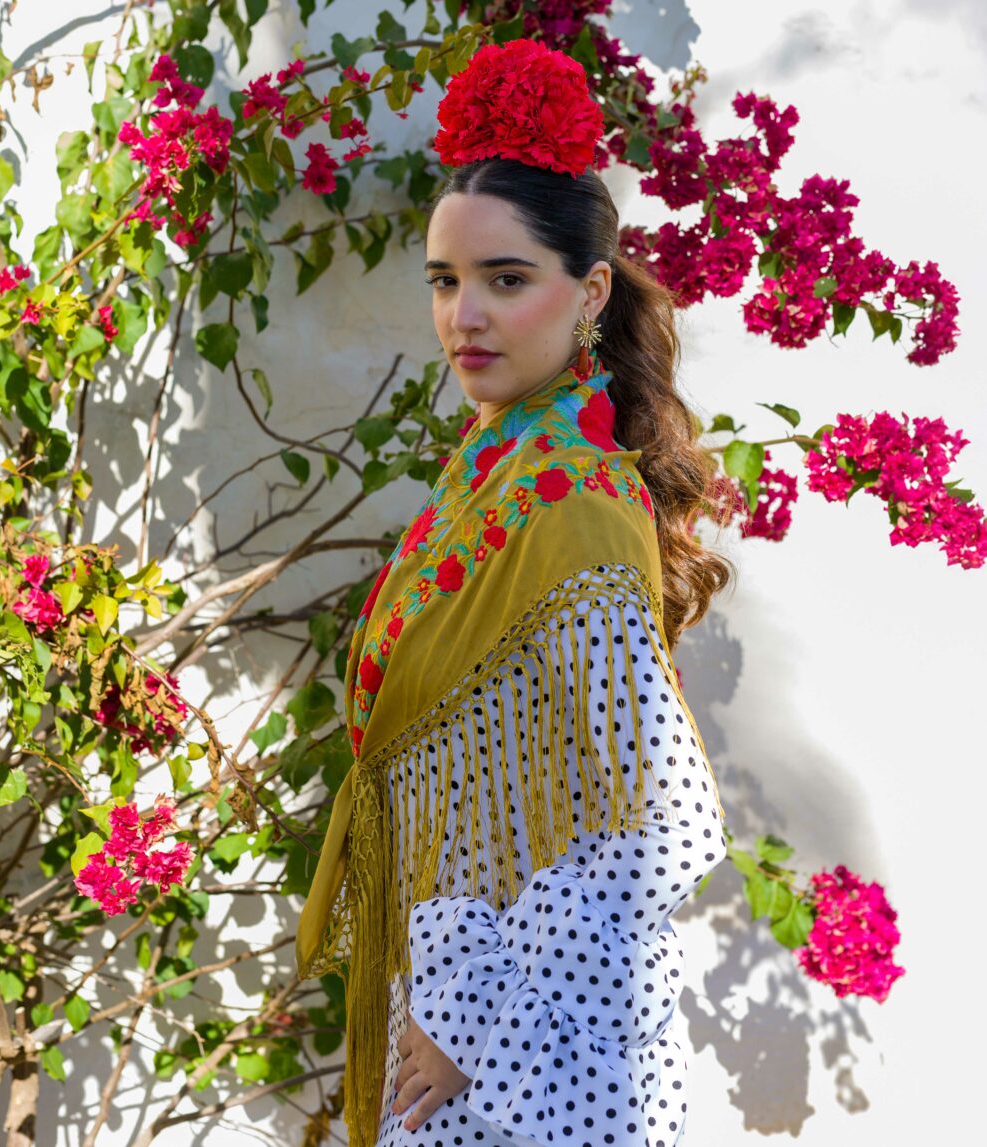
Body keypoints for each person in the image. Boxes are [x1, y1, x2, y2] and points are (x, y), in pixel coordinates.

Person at [296, 38, 735, 1147]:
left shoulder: (572, 502)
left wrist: (468, 1020)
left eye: (504, 279)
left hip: (530, 1057)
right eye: (445, 282)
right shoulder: (493, 471)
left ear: (589, 292)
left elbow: (663, 819)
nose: (465, 317)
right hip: (465, 1005)